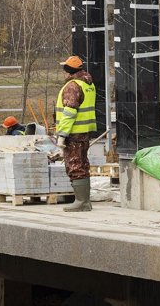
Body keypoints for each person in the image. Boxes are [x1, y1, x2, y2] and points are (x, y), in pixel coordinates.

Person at [55, 55, 97, 212]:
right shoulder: (88, 84)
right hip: (84, 132)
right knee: (82, 164)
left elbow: (69, 113)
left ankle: (81, 202)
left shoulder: (72, 86)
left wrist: (62, 135)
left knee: (75, 165)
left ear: (68, 71)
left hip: (73, 133)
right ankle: (84, 201)